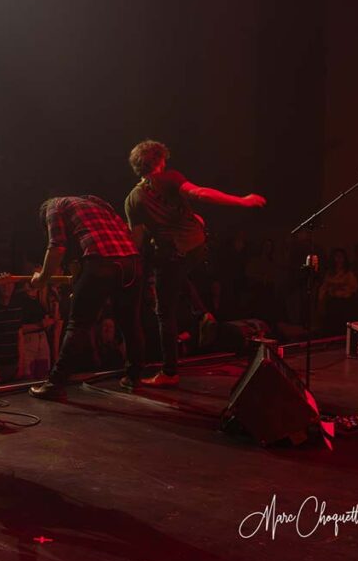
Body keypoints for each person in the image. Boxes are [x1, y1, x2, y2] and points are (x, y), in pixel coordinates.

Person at [123, 140, 266, 387]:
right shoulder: (169, 178)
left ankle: (170, 371)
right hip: (196, 246)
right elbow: (199, 193)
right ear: (159, 160)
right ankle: (202, 314)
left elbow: (136, 240)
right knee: (175, 274)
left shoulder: (131, 200)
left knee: (164, 312)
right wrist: (241, 201)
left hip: (173, 253)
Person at [29, 195, 145, 398]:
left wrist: (42, 279)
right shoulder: (97, 201)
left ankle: (55, 384)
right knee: (130, 323)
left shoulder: (53, 207)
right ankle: (134, 377)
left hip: (102, 263)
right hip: (133, 263)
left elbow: (57, 246)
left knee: (79, 324)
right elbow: (128, 233)